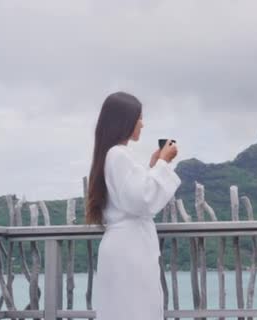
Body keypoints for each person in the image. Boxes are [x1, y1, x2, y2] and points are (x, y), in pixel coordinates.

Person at [86, 91, 181, 319]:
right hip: (129, 250)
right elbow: (142, 200)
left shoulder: (111, 155)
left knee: (124, 310)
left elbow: (131, 195)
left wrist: (152, 167)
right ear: (125, 120)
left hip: (124, 247)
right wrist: (162, 163)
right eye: (139, 118)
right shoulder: (119, 155)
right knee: (134, 310)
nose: (142, 124)